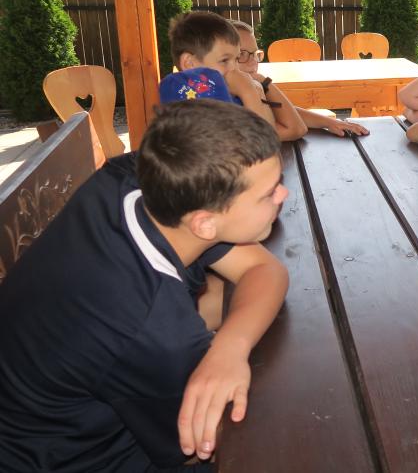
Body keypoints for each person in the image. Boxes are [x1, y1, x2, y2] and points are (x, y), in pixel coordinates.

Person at [0, 99, 290, 471]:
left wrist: (228, 348)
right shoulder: (149, 328)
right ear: (204, 224)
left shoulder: (136, 180)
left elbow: (264, 269)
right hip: (68, 458)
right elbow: (203, 445)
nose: (283, 195)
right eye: (269, 193)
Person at [169, 11, 307, 141]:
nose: (234, 68)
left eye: (236, 58)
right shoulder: (195, 114)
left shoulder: (223, 96)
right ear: (189, 63)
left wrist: (258, 85)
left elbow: (280, 118)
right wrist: (250, 92)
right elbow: (267, 149)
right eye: (224, 60)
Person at [231, 20, 368, 138]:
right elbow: (296, 128)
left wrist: (331, 122)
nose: (254, 61)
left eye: (255, 54)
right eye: (242, 54)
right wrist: (264, 82)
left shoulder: (246, 88)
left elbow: (283, 112)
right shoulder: (230, 104)